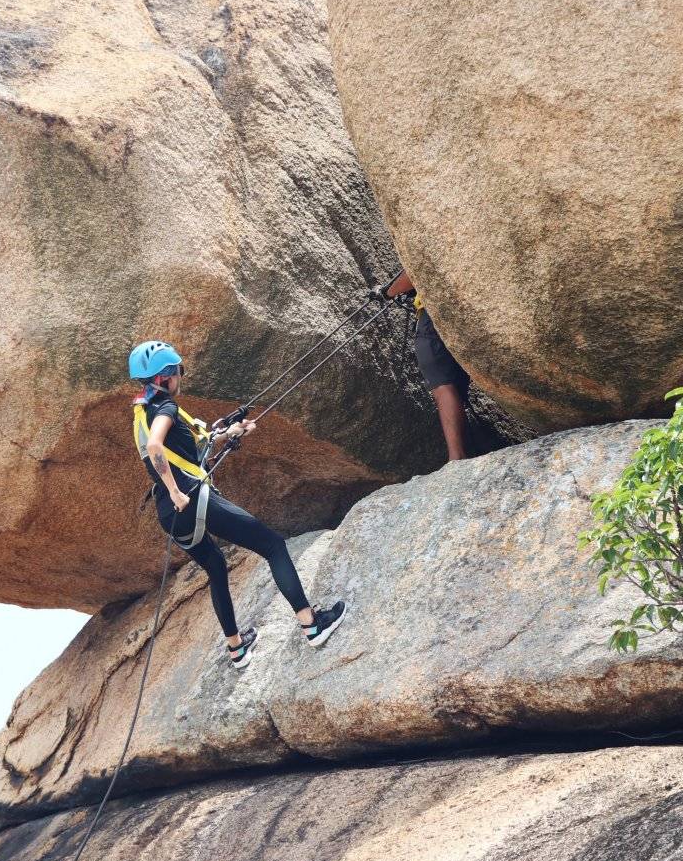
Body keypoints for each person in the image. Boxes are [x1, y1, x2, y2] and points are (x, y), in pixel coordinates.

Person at [127, 340, 346, 668]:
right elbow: (158, 446)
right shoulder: (167, 409)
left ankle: (237, 648)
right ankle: (311, 625)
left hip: (170, 515)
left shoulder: (142, 413)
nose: (180, 377)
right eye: (178, 371)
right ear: (165, 376)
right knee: (273, 546)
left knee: (215, 567)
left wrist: (232, 431)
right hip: (190, 499)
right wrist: (175, 490)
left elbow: (187, 453)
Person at [383, 269, 470, 461]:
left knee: (441, 382)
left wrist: (388, 292)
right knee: (454, 379)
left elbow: (417, 269)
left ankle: (456, 457)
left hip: (435, 309)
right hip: (467, 301)